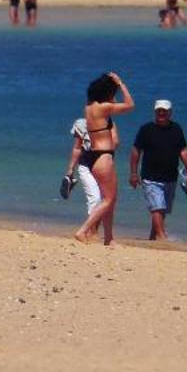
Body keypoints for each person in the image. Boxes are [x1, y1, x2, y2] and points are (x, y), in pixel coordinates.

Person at [72, 72, 135, 245]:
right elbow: (130, 105)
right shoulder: (104, 108)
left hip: (93, 155)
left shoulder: (89, 107)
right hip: (103, 156)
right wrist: (121, 83)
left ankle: (109, 238)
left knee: (109, 198)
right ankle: (83, 231)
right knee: (109, 199)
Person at [129, 99, 187, 242]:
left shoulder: (176, 129)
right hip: (150, 177)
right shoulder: (146, 129)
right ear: (155, 111)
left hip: (170, 177)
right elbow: (136, 151)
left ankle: (153, 237)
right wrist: (133, 173)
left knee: (162, 209)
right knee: (157, 207)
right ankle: (161, 236)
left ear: (170, 112)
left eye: (164, 111)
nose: (161, 113)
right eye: (159, 110)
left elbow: (183, 149)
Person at [62, 116, 102, 222]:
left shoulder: (108, 125)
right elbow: (77, 147)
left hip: (103, 168)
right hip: (86, 166)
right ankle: (91, 230)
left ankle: (94, 229)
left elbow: (115, 143)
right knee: (95, 198)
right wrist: (71, 170)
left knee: (106, 200)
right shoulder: (82, 124)